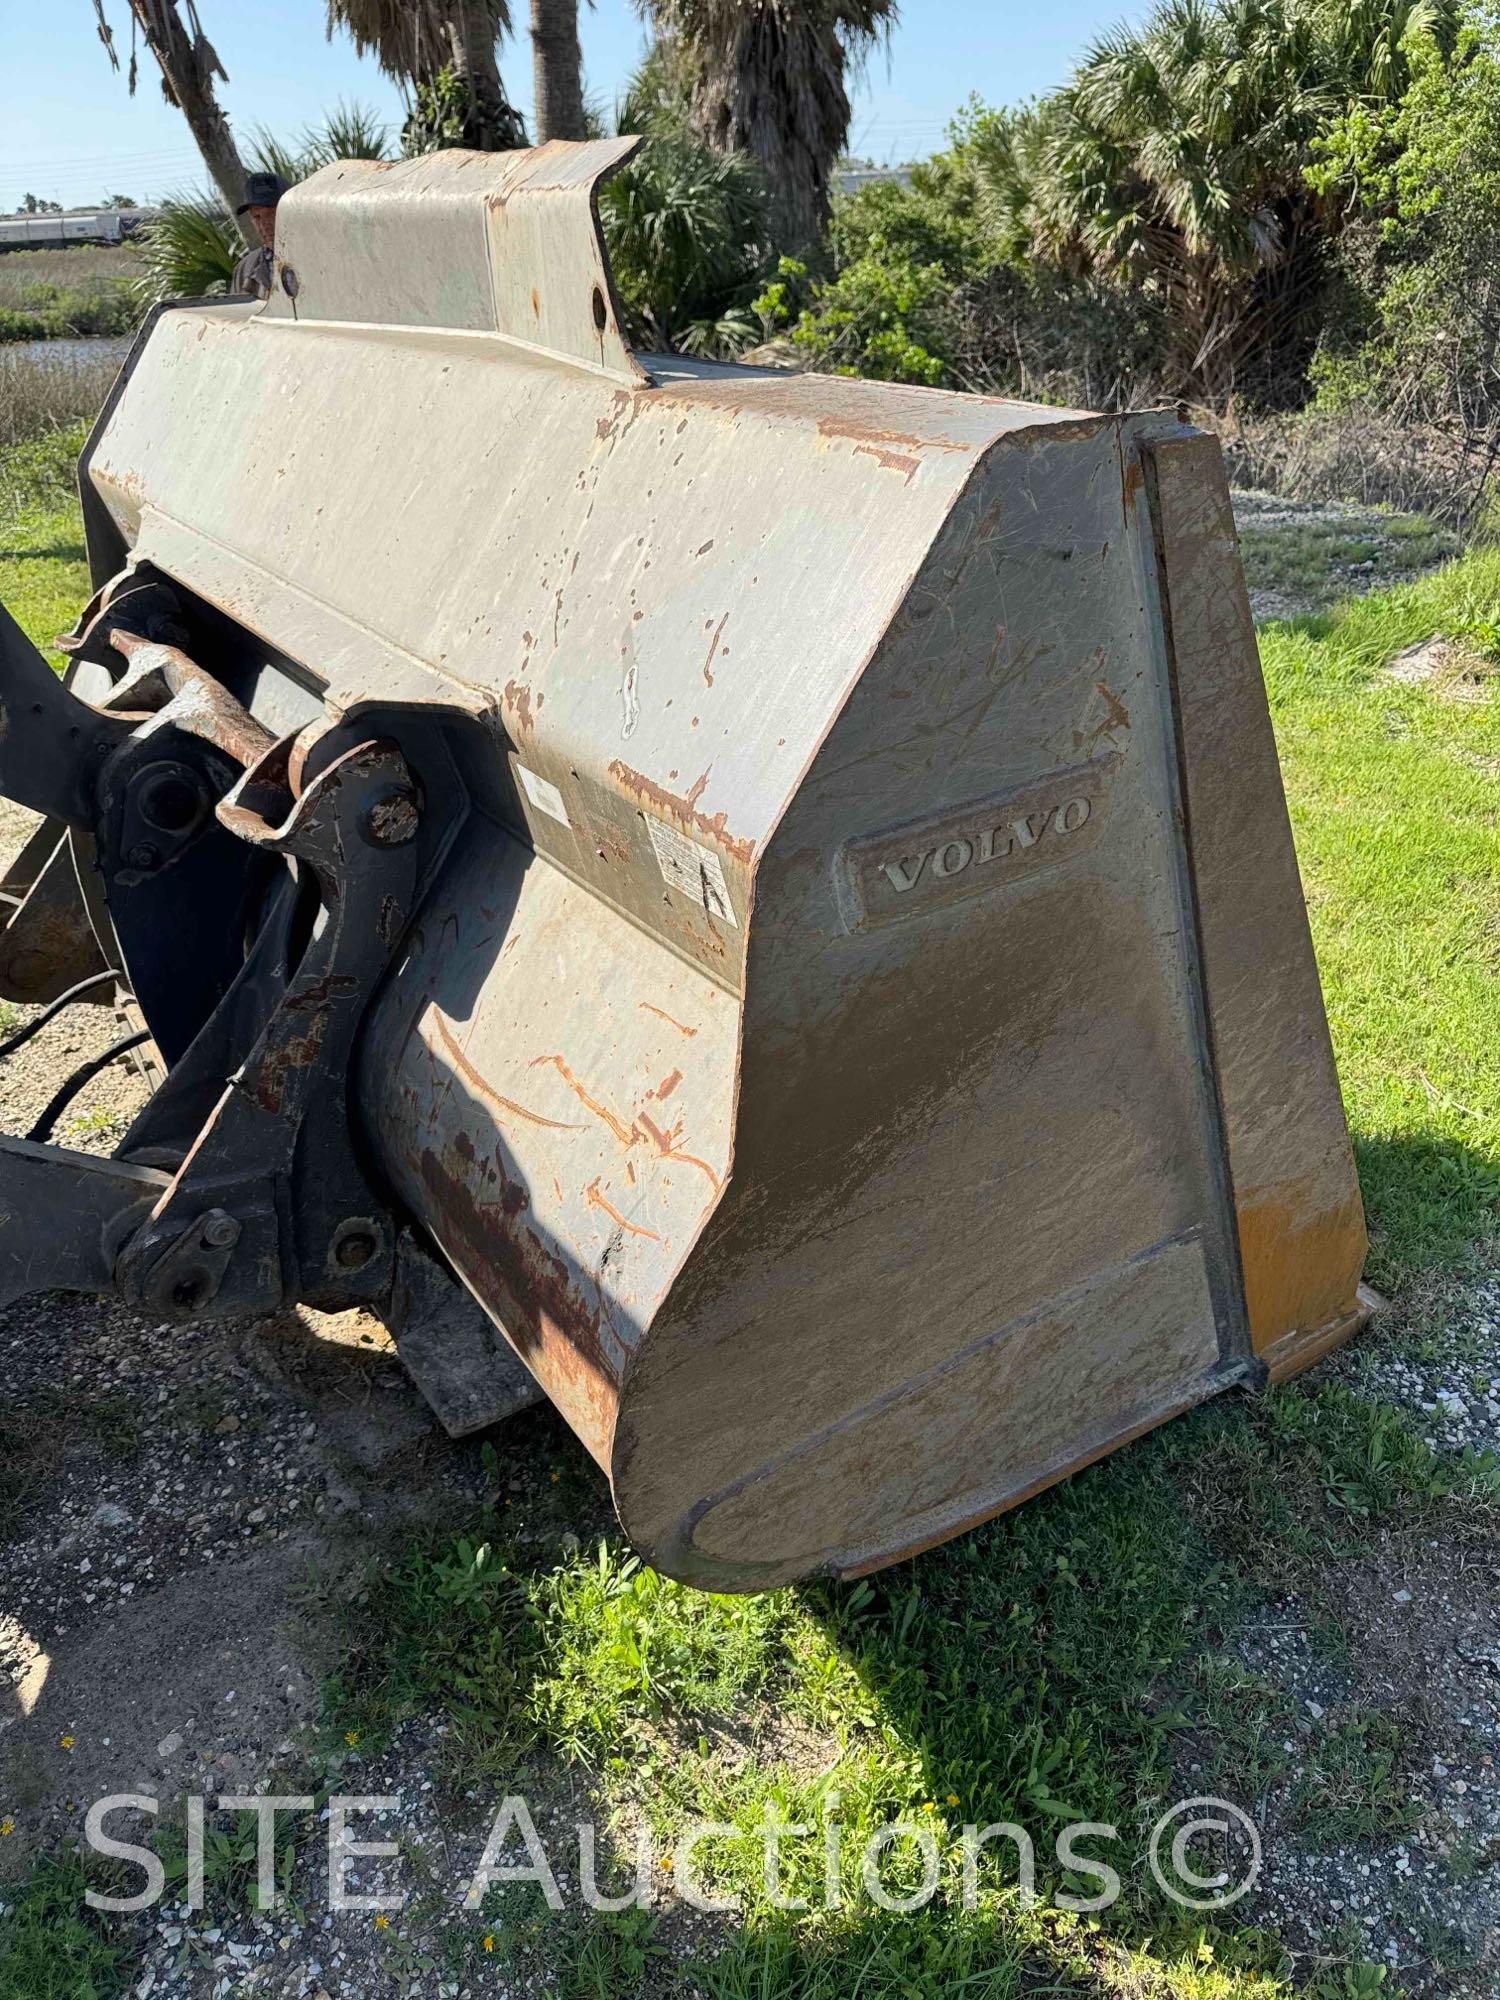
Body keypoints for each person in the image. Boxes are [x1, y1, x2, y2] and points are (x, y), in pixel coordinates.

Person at [230, 172, 289, 300]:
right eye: (256, 217)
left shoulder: (317, 255)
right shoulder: (244, 269)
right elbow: (239, 318)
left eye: (271, 213)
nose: (264, 223)